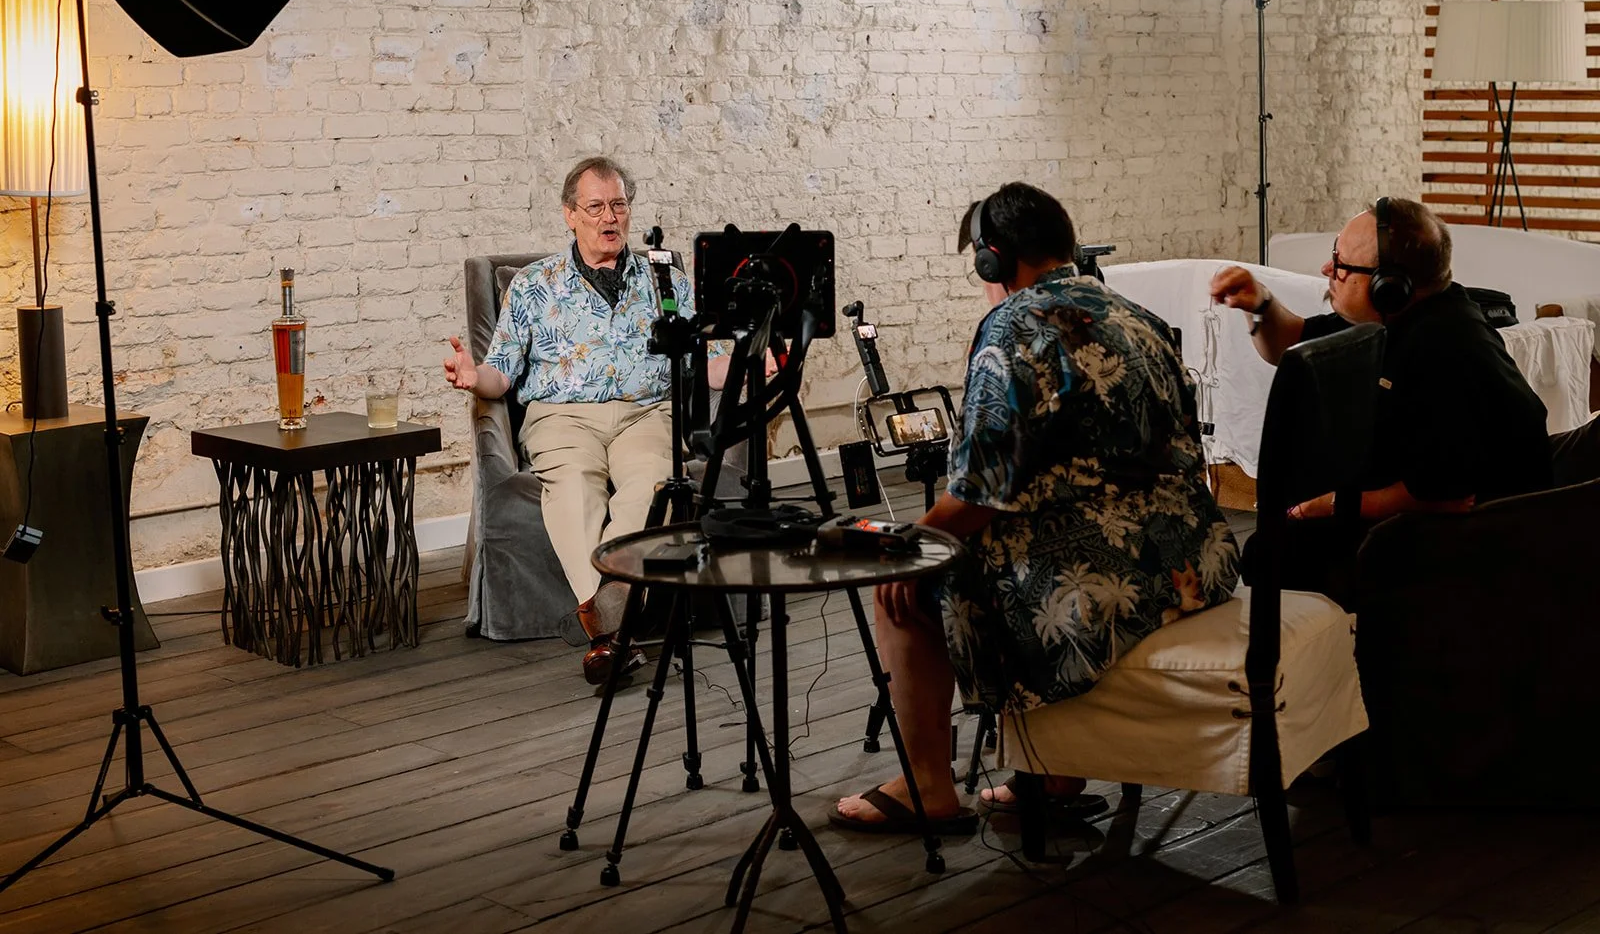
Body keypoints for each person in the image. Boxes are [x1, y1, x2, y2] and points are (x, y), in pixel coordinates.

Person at [833, 183, 1240, 832]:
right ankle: (1052, 768)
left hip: (1107, 591)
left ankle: (929, 785)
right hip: (1201, 565)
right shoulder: (1138, 315)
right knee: (1028, 537)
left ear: (993, 260)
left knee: (910, 567)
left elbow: (978, 493)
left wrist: (906, 541)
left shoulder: (1009, 328)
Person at [443, 156, 735, 684]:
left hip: (648, 412)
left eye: (619, 205)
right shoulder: (533, 285)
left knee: (652, 485)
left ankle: (604, 626)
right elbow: (502, 375)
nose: (610, 217)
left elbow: (703, 358)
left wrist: (752, 357)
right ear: (569, 215)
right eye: (596, 206)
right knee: (574, 489)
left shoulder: (665, 276)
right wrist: (472, 376)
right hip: (562, 418)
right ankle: (612, 626)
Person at [1209, 197, 1553, 602]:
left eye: (1340, 263)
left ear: (1388, 287)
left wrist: (1330, 505)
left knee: (1274, 555)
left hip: (1483, 537)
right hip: (1435, 503)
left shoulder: (1443, 347)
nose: (1326, 270)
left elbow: (1445, 497)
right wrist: (1260, 303)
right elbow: (1290, 341)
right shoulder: (1394, 313)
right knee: (1273, 545)